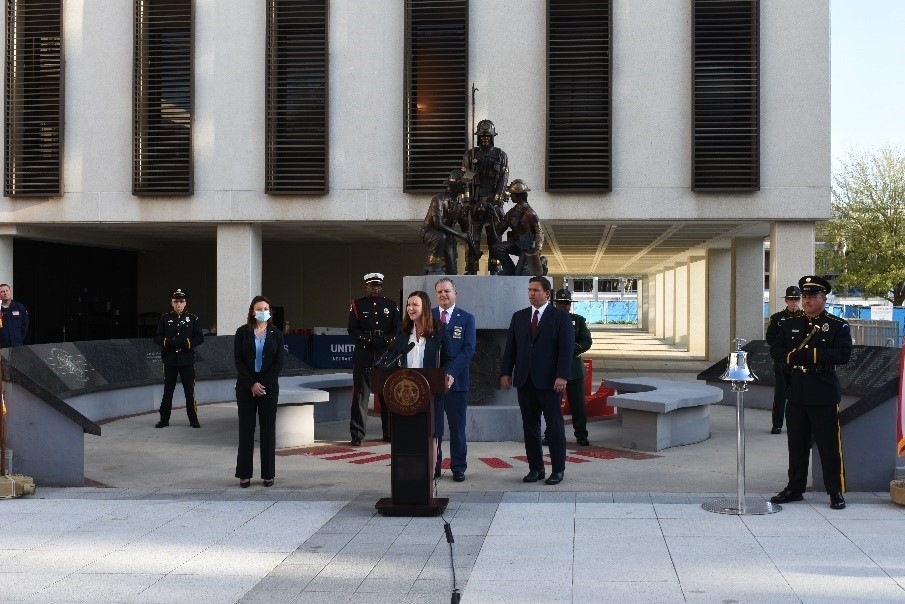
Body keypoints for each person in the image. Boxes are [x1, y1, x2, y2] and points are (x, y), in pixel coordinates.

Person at [769, 275, 852, 510]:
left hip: (824, 392)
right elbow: (776, 349)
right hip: (797, 392)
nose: (806, 300)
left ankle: (835, 491)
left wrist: (809, 355)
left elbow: (843, 355)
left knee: (829, 447)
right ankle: (795, 488)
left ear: (823, 298)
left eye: (812, 296)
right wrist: (788, 357)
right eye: (804, 296)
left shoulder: (837, 325)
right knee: (796, 445)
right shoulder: (789, 324)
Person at [500, 276, 574, 486]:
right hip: (525, 380)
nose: (531, 293)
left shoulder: (560, 318)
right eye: (529, 290)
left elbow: (566, 350)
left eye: (536, 290)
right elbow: (511, 348)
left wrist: (562, 375)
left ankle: (558, 470)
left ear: (547, 294)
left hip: (551, 382)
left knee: (554, 426)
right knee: (530, 426)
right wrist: (506, 372)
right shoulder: (519, 317)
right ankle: (536, 468)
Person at [385, 291, 450, 469]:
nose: (410, 308)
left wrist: (448, 374)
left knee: (432, 434)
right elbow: (393, 355)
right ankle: (411, 470)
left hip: (431, 391)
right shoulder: (403, 330)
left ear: (425, 307)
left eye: (415, 305)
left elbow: (448, 358)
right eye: (408, 305)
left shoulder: (439, 329)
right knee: (410, 433)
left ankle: (432, 470)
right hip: (407, 392)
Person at [234, 295, 285, 488]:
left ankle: (268, 474)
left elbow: (279, 362)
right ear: (252, 311)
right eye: (259, 308)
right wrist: (251, 384)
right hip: (246, 388)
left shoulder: (277, 334)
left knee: (267, 430)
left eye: (265, 308)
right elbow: (238, 361)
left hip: (268, 389)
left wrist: (263, 384)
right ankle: (244, 473)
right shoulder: (242, 332)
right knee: (246, 430)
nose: (262, 312)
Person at [348, 272, 402, 445]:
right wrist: (370, 339)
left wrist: (386, 341)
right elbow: (353, 330)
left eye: (378, 286)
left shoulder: (391, 305)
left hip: (385, 355)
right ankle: (357, 435)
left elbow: (397, 329)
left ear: (382, 287)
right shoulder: (357, 305)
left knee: (387, 396)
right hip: (364, 353)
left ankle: (390, 432)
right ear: (366, 287)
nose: (375, 289)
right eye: (372, 286)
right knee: (360, 397)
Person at [433, 278, 476, 481]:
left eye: (447, 291)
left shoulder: (467, 318)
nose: (443, 295)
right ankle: (434, 464)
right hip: (431, 382)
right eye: (440, 292)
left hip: (456, 383)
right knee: (434, 428)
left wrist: (450, 373)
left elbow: (468, 349)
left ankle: (458, 466)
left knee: (457, 428)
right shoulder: (428, 316)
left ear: (455, 294)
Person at [462, 119, 509, 274]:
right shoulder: (471, 155)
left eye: (488, 136)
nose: (485, 139)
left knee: (494, 237)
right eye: (482, 136)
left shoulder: (500, 155)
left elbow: (503, 180)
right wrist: (468, 200)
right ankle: (471, 268)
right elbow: (466, 179)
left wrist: (496, 202)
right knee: (472, 237)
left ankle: (495, 268)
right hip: (475, 200)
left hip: (493, 200)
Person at [153, 288, 204, 428]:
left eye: (181, 301)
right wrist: (168, 342)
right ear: (171, 302)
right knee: (168, 391)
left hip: (186, 360)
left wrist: (187, 343)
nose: (178, 304)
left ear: (185, 303)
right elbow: (157, 337)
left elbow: (200, 338)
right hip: (169, 360)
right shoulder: (165, 318)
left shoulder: (192, 318)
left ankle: (193, 419)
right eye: (176, 301)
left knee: (189, 392)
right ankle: (164, 419)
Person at [552, 288, 593, 446]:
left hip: (574, 369)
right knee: (552, 405)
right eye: (560, 303)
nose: (563, 306)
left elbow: (587, 341)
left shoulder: (579, 320)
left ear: (570, 305)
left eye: (566, 303)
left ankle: (581, 434)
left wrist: (569, 349)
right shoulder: (548, 320)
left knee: (578, 405)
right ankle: (551, 434)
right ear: (556, 304)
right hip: (554, 370)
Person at [765, 285, 803, 434]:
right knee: (780, 394)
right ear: (786, 301)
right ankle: (777, 424)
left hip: (799, 362)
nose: (794, 303)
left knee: (800, 395)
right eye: (791, 300)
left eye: (796, 300)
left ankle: (798, 424)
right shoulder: (777, 318)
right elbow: (771, 339)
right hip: (782, 362)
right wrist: (783, 353)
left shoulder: (805, 318)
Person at [420, 170, 472, 275]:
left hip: (447, 234)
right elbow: (437, 224)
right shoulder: (438, 199)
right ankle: (432, 266)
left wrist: (467, 213)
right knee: (440, 237)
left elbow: (465, 228)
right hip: (430, 231)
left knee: (451, 270)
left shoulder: (460, 203)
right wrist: (460, 235)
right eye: (464, 184)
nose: (466, 187)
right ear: (456, 185)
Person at [490, 179, 546, 276]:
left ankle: (542, 263)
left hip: (527, 247)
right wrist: (494, 215)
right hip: (516, 243)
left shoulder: (530, 213)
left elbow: (539, 232)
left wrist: (537, 250)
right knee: (497, 247)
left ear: (519, 196)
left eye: (513, 194)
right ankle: (509, 269)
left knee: (519, 273)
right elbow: (499, 230)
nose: (510, 196)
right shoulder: (512, 212)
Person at [0, 283, 29, 348]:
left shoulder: (20, 307)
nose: (5, 293)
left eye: (7, 291)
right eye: (2, 291)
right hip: (2, 347)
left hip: (17, 345)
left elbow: (25, 325)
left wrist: (19, 339)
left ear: (10, 292)